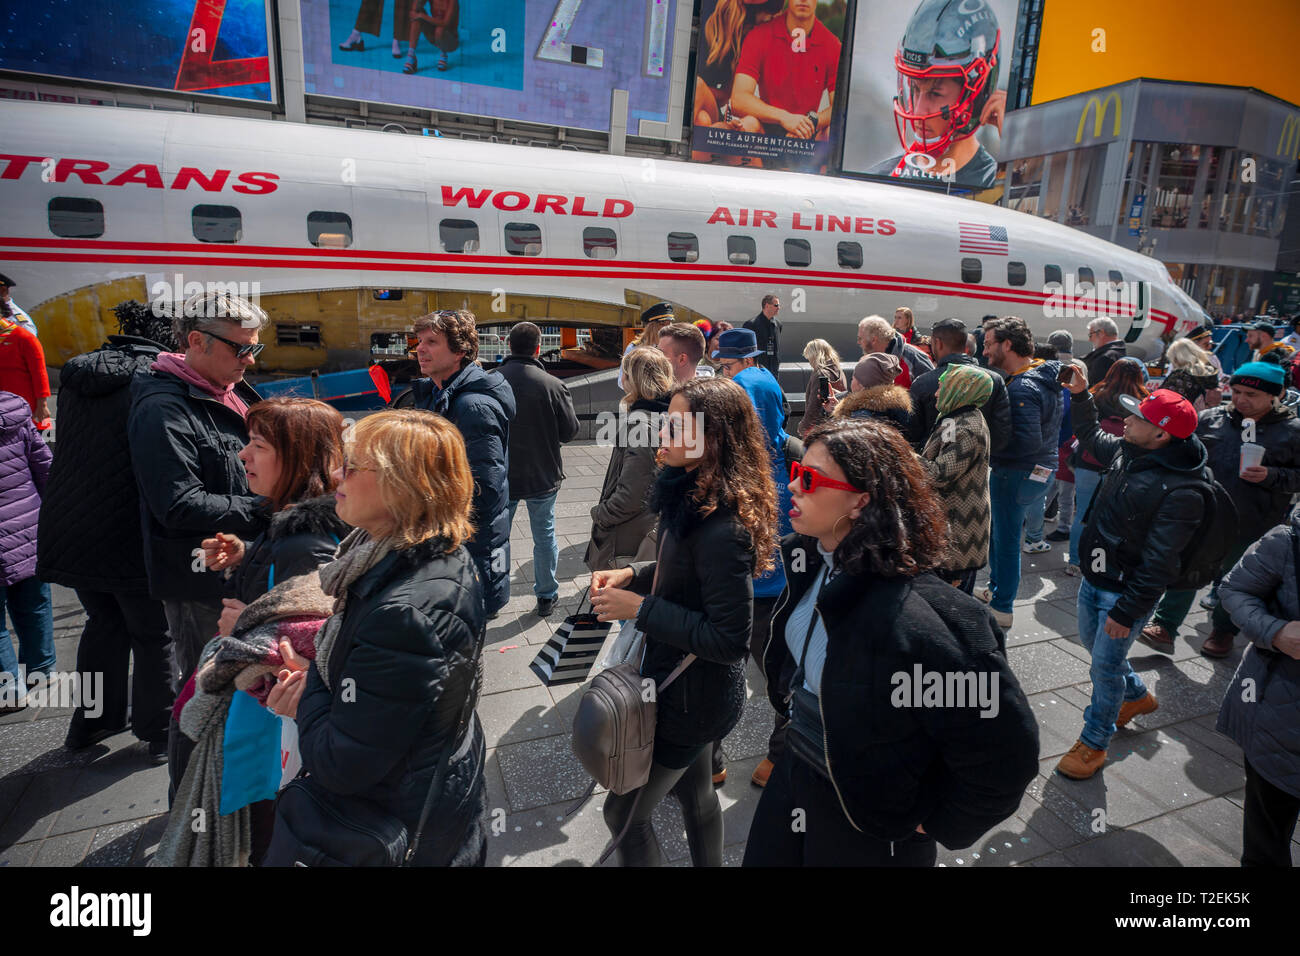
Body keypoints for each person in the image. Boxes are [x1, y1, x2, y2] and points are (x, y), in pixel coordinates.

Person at [743, 417, 1038, 866]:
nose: (793, 486)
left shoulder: (927, 621)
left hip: (869, 820)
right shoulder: (813, 559)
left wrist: (932, 822)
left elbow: (1004, 755)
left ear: (861, 501)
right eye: (795, 471)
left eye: (809, 477)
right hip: (799, 766)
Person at [267, 410, 490, 866]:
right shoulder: (438, 551)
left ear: (401, 485)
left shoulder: (401, 613)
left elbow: (338, 764)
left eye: (351, 466)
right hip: (434, 791)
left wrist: (308, 690)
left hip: (395, 821)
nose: (334, 475)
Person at [589, 377, 776, 866]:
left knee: (622, 814)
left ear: (712, 437)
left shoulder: (722, 527)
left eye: (675, 425)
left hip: (692, 700)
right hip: (688, 690)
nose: (662, 434)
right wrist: (634, 572)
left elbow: (732, 639)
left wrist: (640, 609)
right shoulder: (690, 493)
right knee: (696, 797)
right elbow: (679, 570)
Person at [128, 291, 268, 798]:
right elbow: (177, 503)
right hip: (198, 575)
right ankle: (192, 802)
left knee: (239, 681)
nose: (250, 359)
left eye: (256, 349)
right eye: (241, 349)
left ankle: (233, 792)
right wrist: (266, 508)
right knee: (208, 687)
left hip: (234, 563)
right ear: (195, 341)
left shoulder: (227, 386)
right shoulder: (163, 406)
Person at [1056, 366, 1209, 780]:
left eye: (1138, 417)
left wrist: (1129, 611)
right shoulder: (1130, 448)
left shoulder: (1183, 491)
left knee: (1104, 668)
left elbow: (1161, 562)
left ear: (1161, 435)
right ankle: (1137, 696)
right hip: (1096, 578)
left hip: (1123, 594)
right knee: (1097, 651)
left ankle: (1094, 742)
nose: (1126, 419)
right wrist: (1083, 394)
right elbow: (1090, 437)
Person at [39, 301, 177, 754]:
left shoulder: (78, 375)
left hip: (71, 525)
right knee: (154, 634)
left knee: (103, 624)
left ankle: (91, 724)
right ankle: (159, 731)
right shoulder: (152, 378)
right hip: (127, 528)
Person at [1140, 362, 1300, 659]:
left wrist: (1271, 476)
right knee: (1186, 568)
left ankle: (1223, 631)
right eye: (1236, 391)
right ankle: (1164, 625)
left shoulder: (1292, 432)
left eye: (1251, 394)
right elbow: (1182, 455)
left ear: (1275, 395)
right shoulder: (1211, 419)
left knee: (1238, 580)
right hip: (1203, 513)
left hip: (1253, 521)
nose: (1240, 400)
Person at [713, 328, 794, 788]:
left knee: (749, 662)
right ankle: (777, 752)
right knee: (775, 665)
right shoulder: (767, 383)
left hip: (750, 584)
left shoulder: (736, 471)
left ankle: (716, 759)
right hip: (773, 583)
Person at [402, 309, 515, 618]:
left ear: (460, 351)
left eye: (432, 342)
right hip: (455, 541)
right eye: (419, 341)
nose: (420, 349)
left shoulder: (472, 407)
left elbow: (484, 489)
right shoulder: (442, 394)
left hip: (471, 547)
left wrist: (426, 501)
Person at [1215, 517, 1300, 866]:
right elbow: (1235, 590)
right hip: (1282, 725)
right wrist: (1276, 632)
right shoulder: (1287, 542)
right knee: (1266, 846)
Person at [977, 317, 1062, 628]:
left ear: (1007, 345)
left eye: (988, 345)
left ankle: (1002, 606)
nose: (984, 352)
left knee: (1008, 538)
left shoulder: (1022, 387)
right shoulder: (1043, 375)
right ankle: (997, 591)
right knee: (1003, 534)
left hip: (1016, 473)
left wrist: (987, 451)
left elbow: (1025, 442)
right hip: (1039, 471)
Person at [867, 0, 1004, 190]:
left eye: (936, 94)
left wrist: (1019, 139)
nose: (919, 110)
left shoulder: (999, 184)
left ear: (977, 93)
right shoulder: (877, 180)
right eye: (914, 89)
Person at [498, 322, 580, 617]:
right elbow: (569, 432)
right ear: (537, 348)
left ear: (509, 345)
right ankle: (546, 596)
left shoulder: (490, 381)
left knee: (497, 538)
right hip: (543, 475)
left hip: (501, 476)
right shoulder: (552, 385)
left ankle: (494, 595)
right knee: (544, 535)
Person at [586, 347, 674, 574]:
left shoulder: (639, 423)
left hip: (627, 538)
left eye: (623, 373)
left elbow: (632, 494)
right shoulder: (668, 415)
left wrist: (600, 515)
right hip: (650, 526)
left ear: (631, 379)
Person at [729, 0, 840, 172]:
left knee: (834, 130)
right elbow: (738, 99)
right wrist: (786, 118)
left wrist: (810, 122)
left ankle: (818, 190)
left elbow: (841, 106)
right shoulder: (760, 35)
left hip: (808, 135)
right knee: (747, 125)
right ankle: (754, 189)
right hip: (768, 133)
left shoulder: (832, 44)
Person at [1066, 360, 1148, 575]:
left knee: (1081, 513)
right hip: (1120, 461)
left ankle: (1074, 561)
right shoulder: (1142, 399)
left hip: (1089, 459)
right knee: (1106, 518)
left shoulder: (1097, 392)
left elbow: (1086, 427)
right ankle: (1096, 564)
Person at [919, 364, 994, 594]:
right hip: (951, 527)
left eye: (942, 387)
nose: (936, 393)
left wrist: (904, 455)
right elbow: (937, 451)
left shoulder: (968, 426)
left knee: (952, 607)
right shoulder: (954, 418)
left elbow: (940, 474)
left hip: (960, 533)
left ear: (960, 390)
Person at [0, 390, 53, 712]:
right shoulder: (15, 409)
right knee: (34, 603)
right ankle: (42, 672)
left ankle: (10, 689)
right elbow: (45, 467)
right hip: (28, 527)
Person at [690, 0, 780, 163]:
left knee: (696, 87)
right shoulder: (710, 13)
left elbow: (729, 95)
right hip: (692, 103)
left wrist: (705, 91)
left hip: (707, 101)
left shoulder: (746, 37)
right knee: (701, 119)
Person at [908, 317, 1010, 452]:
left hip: (930, 464)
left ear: (938, 343)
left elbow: (911, 434)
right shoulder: (994, 380)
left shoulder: (922, 383)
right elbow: (1002, 434)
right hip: (979, 466)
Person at [831, 352, 913, 434]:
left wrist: (836, 416)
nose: (851, 382)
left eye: (852, 379)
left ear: (861, 384)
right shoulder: (899, 408)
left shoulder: (860, 416)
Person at [0, 312, 50, 428]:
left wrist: (42, 405)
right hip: (4, 408)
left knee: (38, 440)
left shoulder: (24, 337)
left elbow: (39, 373)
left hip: (27, 407)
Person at [856, 314, 933, 389]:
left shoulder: (914, 358)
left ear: (873, 340)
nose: (858, 342)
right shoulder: (868, 360)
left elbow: (931, 393)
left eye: (860, 338)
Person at [618, 303, 674, 392]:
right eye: (662, 324)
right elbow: (622, 381)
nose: (667, 328)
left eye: (669, 323)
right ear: (651, 327)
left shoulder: (672, 347)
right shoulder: (634, 348)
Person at [800, 338, 847, 438]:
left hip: (819, 430)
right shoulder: (839, 371)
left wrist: (803, 427)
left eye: (809, 359)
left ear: (814, 356)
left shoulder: (820, 374)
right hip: (837, 425)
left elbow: (815, 404)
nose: (810, 363)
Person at [1162, 338, 1223, 412]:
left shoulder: (1181, 375)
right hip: (1205, 415)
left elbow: (1167, 401)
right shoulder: (1207, 371)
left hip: (1183, 416)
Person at [402, 0, 459, 74]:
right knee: (416, 16)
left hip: (451, 41)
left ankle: (443, 53)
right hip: (435, 35)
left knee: (439, 29)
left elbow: (445, 23)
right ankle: (411, 56)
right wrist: (416, 9)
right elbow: (414, 10)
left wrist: (422, 16)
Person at [743, 293, 782, 378]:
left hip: (774, 372)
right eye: (776, 305)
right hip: (757, 371)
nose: (779, 308)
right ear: (767, 306)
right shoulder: (751, 325)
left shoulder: (778, 325)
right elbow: (746, 351)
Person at [1081, 318, 1127, 386]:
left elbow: (1094, 389)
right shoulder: (1120, 354)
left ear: (1101, 333)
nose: (1089, 339)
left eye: (1090, 335)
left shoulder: (1104, 359)